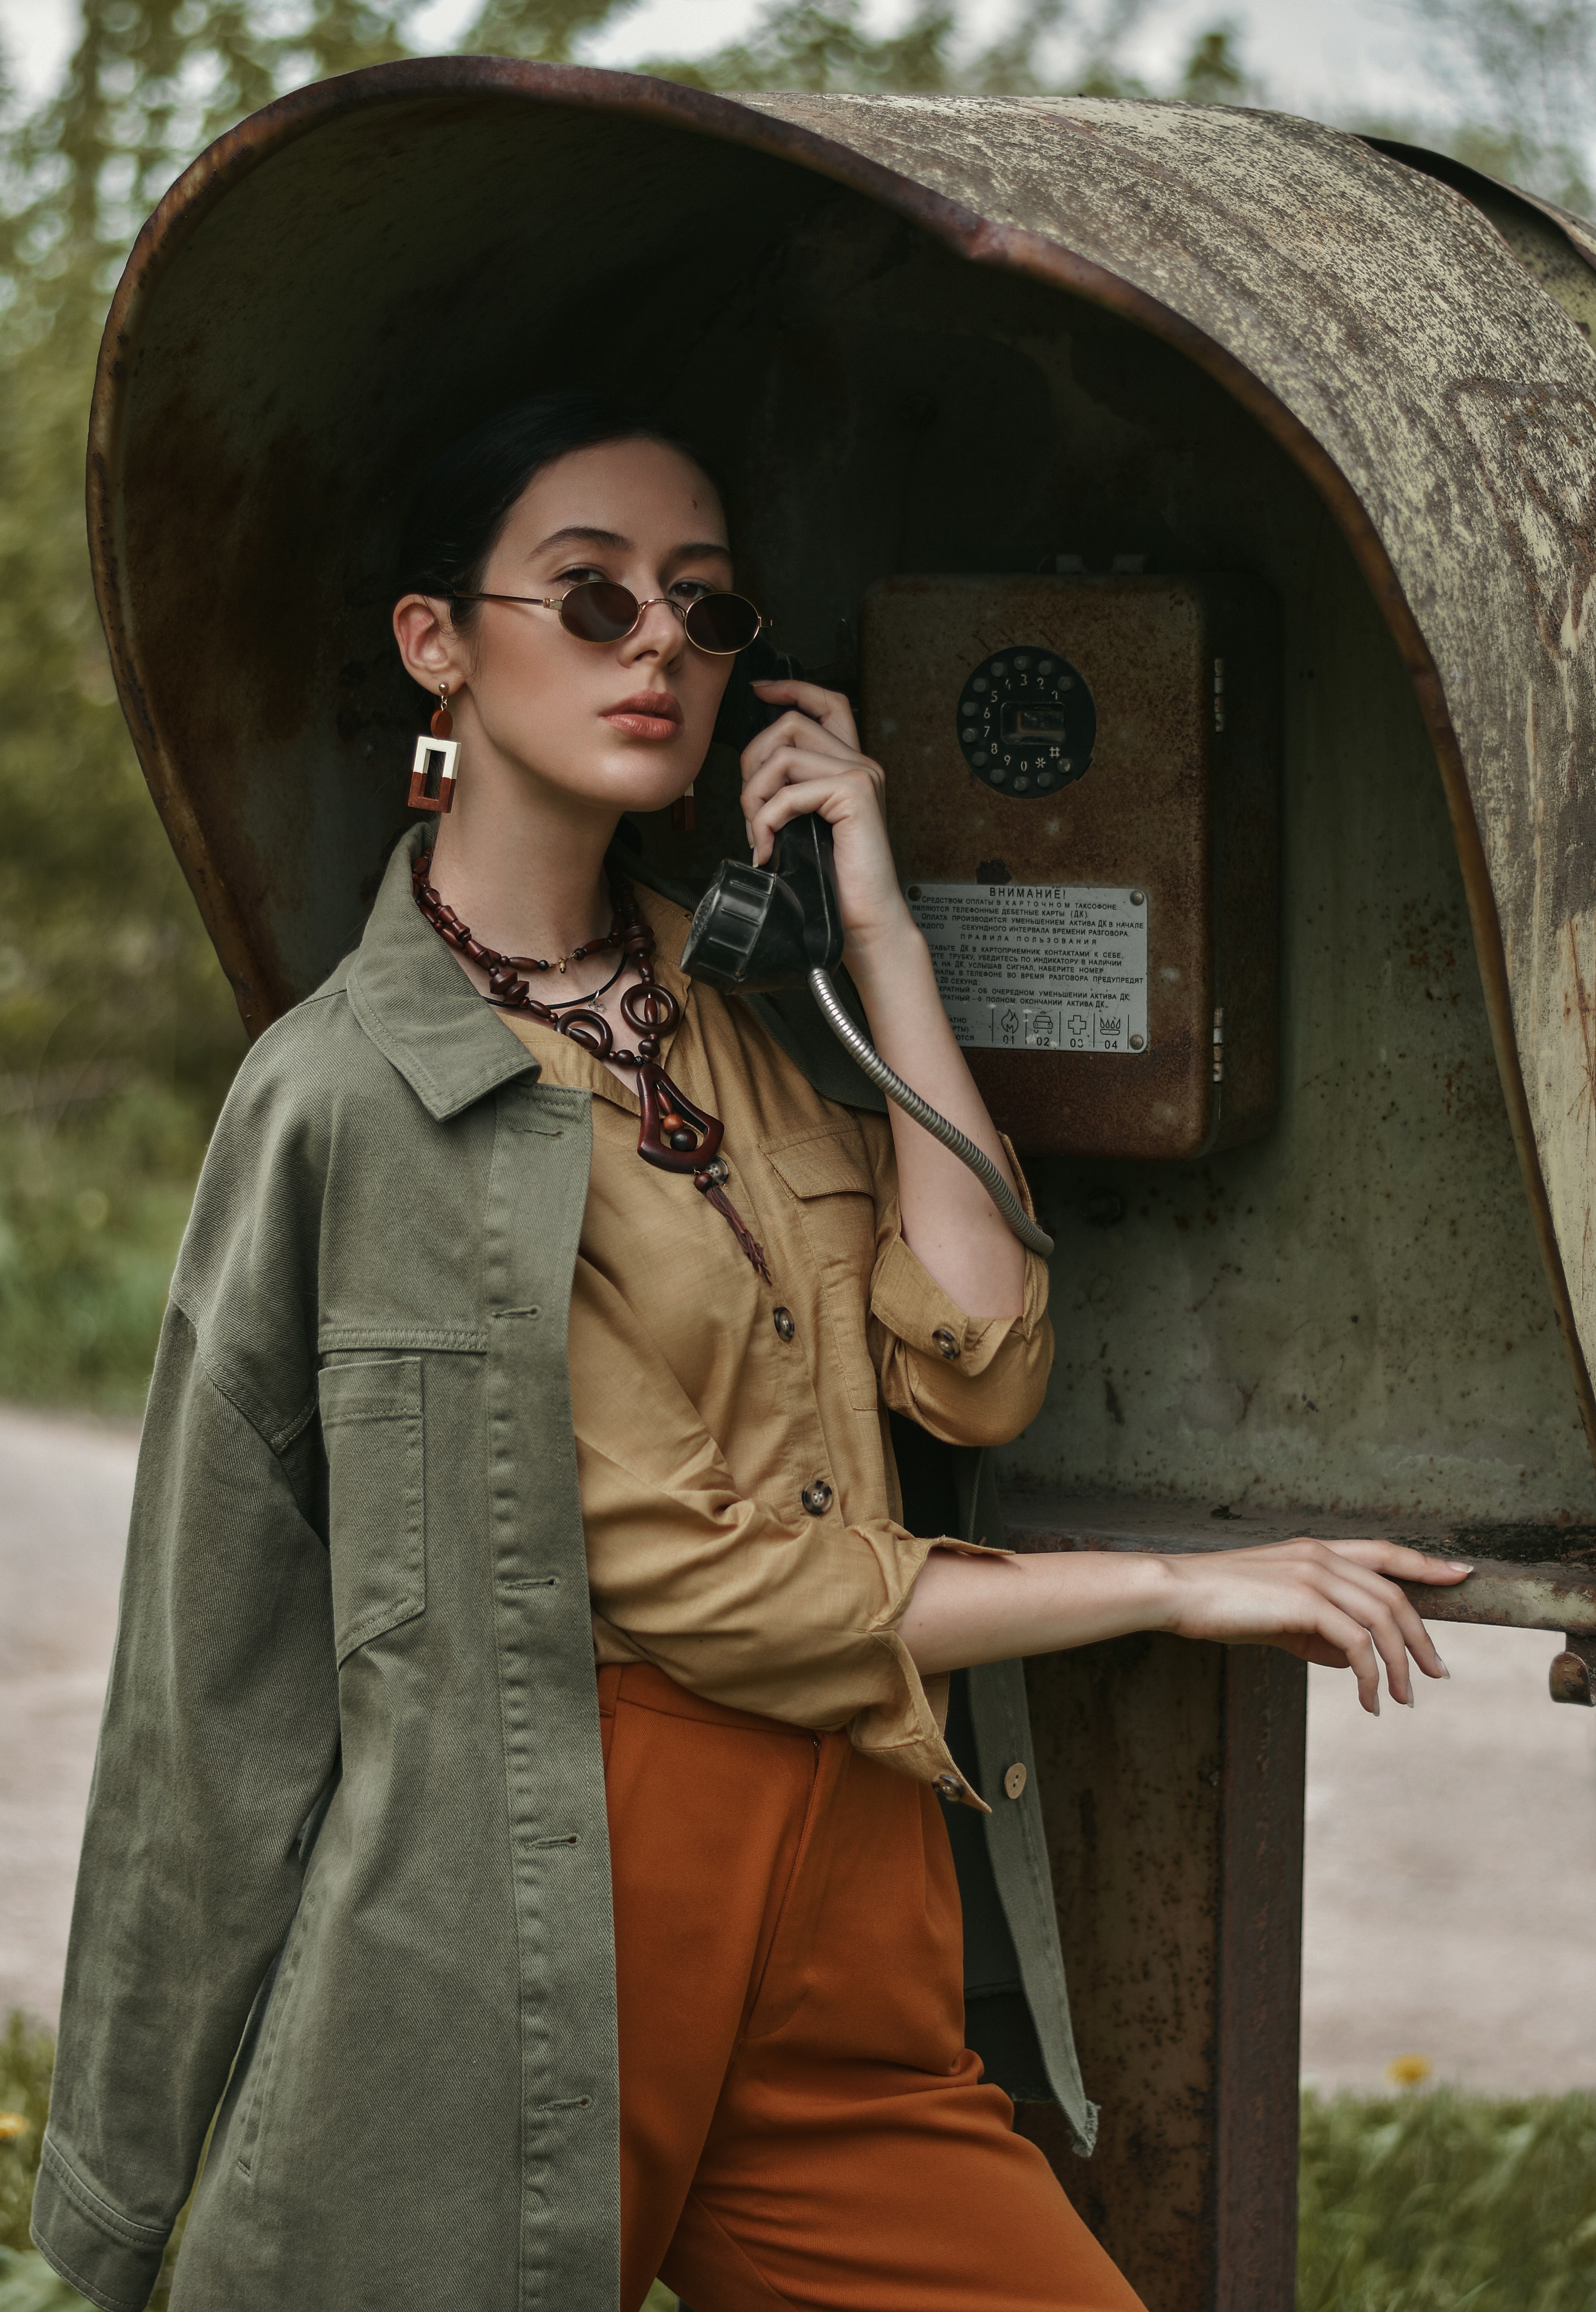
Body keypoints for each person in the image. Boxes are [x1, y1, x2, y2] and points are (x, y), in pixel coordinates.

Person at [32, 391, 1470, 2312]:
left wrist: (878, 926)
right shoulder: (357, 1096)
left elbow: (977, 1361)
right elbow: (614, 1590)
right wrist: (1169, 1589)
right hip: (556, 1919)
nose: (659, 649)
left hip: (855, 1897)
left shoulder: (741, 1025)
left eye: (704, 610)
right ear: (436, 641)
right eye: (593, 598)